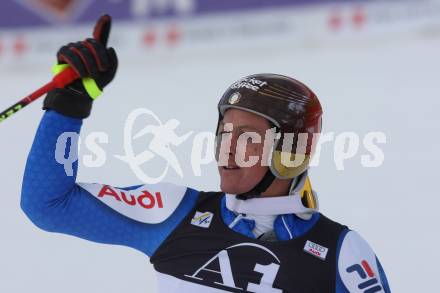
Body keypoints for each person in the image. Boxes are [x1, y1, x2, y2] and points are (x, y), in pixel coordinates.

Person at [21, 15, 391, 293]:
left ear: (291, 150)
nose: (227, 149)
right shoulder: (173, 211)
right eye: (224, 133)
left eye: (247, 138)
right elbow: (48, 204)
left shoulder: (341, 255)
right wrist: (69, 105)